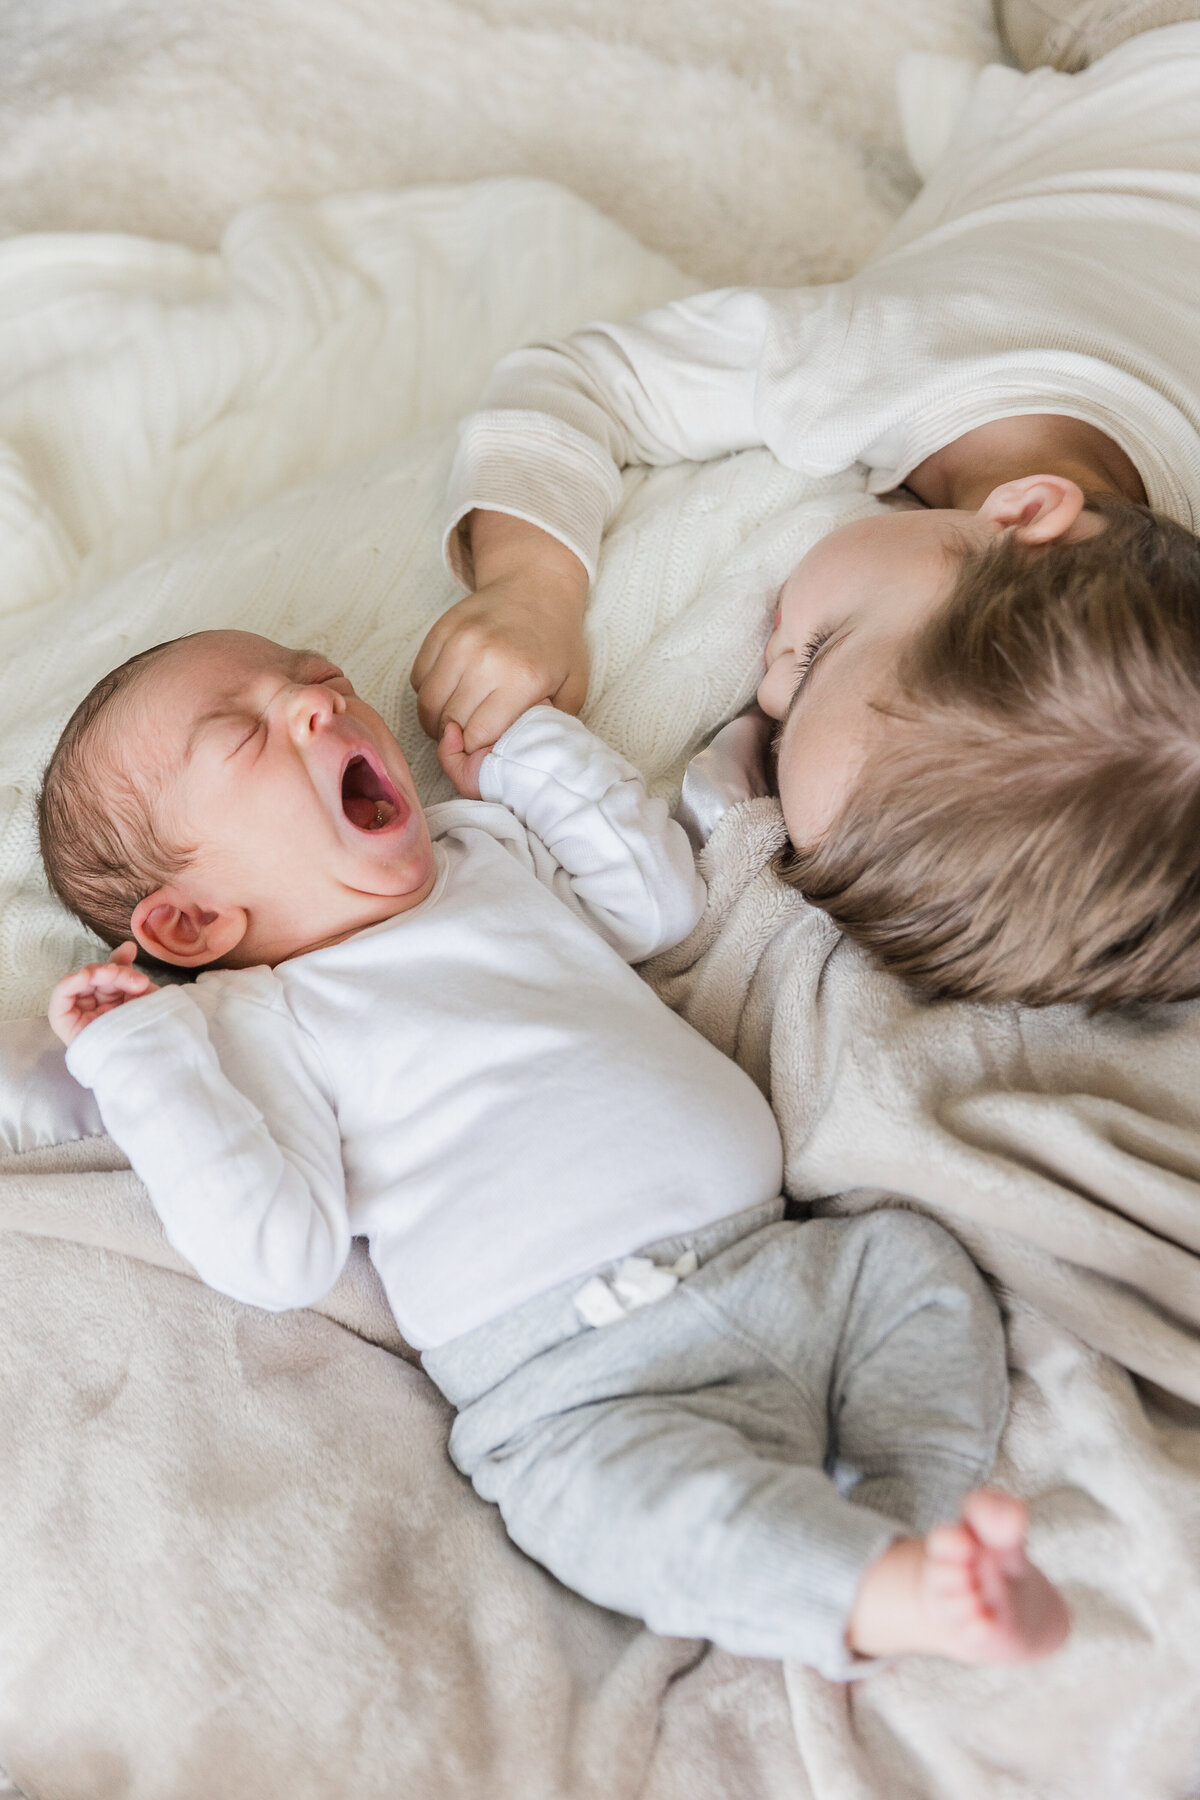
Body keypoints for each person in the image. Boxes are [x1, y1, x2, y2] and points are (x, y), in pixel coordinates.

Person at [39, 629, 1067, 1678]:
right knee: (623, 1515)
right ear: (194, 921)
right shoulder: (248, 1023)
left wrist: (535, 752)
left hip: (787, 1265)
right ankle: (871, 1589)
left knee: (915, 1269)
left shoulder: (485, 848)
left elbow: (658, 905)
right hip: (576, 1386)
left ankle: (914, 1531)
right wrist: (144, 1064)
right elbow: (274, 1254)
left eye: (317, 679)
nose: (323, 706)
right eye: (245, 735)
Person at [412, 10, 1200, 1009]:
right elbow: (579, 379)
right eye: (819, 652)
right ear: (1022, 516)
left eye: (776, 731)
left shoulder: (1131, 584)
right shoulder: (880, 361)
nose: (769, 687)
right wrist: (532, 586)